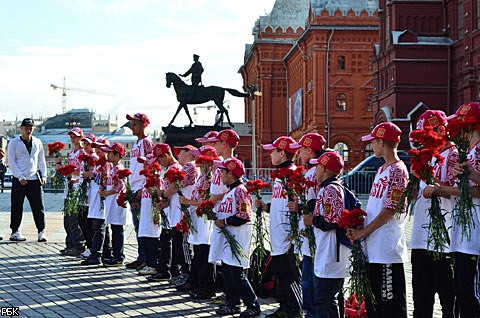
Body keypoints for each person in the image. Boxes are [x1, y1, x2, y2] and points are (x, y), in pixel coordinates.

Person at [423, 102, 480, 317]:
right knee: (463, 293)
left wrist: (440, 189)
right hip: (464, 234)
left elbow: (476, 190)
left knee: (470, 294)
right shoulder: (470, 150)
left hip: (474, 236)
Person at [348, 122, 408, 318]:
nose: (372, 145)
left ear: (382, 141)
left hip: (386, 249)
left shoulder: (398, 171)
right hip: (373, 248)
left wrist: (363, 232)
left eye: (374, 141)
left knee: (390, 305)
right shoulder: (381, 169)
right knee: (374, 305)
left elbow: (390, 209)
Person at [409, 110, 457, 318]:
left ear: (441, 130)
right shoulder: (425, 156)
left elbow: (458, 191)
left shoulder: (454, 154)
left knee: (449, 302)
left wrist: (435, 185)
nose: (422, 140)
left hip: (445, 240)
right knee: (421, 302)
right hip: (420, 240)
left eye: (425, 135)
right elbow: (414, 196)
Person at [256, 136, 303, 318]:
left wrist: (293, 231)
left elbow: (298, 205)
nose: (270, 154)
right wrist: (266, 207)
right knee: (282, 274)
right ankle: (285, 307)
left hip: (287, 236)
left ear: (282, 153)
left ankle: (295, 308)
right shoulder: (280, 175)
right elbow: (282, 204)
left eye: (273, 151)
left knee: (290, 274)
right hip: (279, 235)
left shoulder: (292, 175)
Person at [212, 157, 261, 317]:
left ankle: (253, 305)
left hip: (238, 239)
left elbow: (244, 215)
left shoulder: (240, 190)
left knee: (237, 274)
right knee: (228, 272)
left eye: (222, 171)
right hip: (229, 239)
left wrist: (224, 221)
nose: (219, 174)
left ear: (231, 174)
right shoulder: (231, 191)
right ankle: (233, 304)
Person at [304, 151, 349, 317]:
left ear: (324, 169)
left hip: (332, 252)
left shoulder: (330, 189)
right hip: (328, 249)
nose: (314, 170)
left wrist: (312, 220)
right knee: (327, 296)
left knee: (325, 297)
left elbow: (333, 221)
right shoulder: (327, 188)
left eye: (317, 167)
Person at [289, 132, 326, 318]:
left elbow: (314, 202)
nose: (298, 153)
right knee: (310, 277)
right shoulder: (314, 170)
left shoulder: (314, 172)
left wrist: (301, 207)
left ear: (310, 150)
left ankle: (312, 313)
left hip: (313, 231)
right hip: (311, 231)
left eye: (302, 149)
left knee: (310, 279)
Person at [179, 145, 219, 299]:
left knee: (205, 256)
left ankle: (206, 288)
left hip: (205, 222)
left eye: (201, 160)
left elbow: (206, 201)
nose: (198, 163)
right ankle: (196, 283)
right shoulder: (202, 177)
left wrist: (187, 201)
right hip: (197, 220)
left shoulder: (209, 178)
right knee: (199, 254)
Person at [149, 143, 190, 282]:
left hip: (178, 212)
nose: (159, 163)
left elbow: (172, 189)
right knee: (169, 242)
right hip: (171, 210)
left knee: (177, 245)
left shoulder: (176, 169)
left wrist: (162, 194)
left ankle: (177, 272)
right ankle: (169, 270)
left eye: (160, 159)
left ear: (166, 155)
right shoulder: (169, 169)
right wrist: (163, 203)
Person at [7, 118, 47, 242]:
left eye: (30, 128)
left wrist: (44, 175)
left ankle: (41, 231)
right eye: (26, 128)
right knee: (17, 206)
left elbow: (41, 160)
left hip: (34, 179)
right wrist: (20, 176)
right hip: (19, 180)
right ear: (21, 128)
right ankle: (15, 231)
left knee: (38, 206)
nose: (28, 130)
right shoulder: (14, 142)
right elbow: (11, 161)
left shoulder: (37, 142)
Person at [125, 113, 154, 271]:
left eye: (135, 124)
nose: (132, 126)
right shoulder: (136, 144)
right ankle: (141, 256)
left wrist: (144, 186)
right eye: (131, 124)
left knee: (143, 225)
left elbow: (149, 165)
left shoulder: (146, 142)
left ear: (144, 124)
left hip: (141, 189)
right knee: (138, 225)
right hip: (134, 187)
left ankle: (146, 257)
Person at [80, 138, 113, 266]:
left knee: (98, 227)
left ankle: (96, 254)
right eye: (97, 147)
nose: (98, 150)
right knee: (99, 226)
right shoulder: (99, 163)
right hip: (95, 198)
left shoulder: (106, 164)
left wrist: (91, 175)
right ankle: (105, 253)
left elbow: (105, 179)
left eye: (101, 147)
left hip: (101, 198)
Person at [100, 142, 129, 267]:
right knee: (114, 228)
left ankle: (119, 256)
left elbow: (120, 187)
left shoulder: (119, 169)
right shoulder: (113, 168)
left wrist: (106, 193)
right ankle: (116, 254)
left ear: (117, 155)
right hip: (112, 202)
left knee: (117, 229)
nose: (108, 155)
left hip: (117, 202)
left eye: (110, 153)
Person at [59, 126, 86, 256]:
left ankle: (78, 245)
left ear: (81, 137)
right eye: (71, 136)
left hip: (77, 187)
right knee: (67, 220)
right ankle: (69, 244)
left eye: (75, 136)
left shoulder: (83, 153)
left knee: (75, 220)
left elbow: (82, 171)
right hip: (69, 188)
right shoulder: (71, 153)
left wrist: (69, 171)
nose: (73, 138)